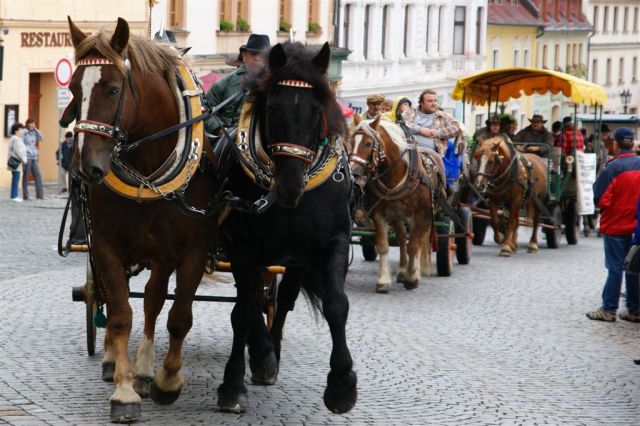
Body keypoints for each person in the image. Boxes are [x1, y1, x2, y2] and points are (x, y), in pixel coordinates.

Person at [586, 127, 640, 322]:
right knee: (633, 266)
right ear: (632, 143)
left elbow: (600, 199)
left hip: (616, 224)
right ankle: (635, 309)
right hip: (636, 226)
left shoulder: (613, 168)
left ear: (616, 144)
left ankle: (609, 309)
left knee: (615, 267)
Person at [203, 33, 271, 135]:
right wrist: (220, 129)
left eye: (262, 55)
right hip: (227, 139)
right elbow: (205, 110)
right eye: (253, 54)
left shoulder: (278, 85)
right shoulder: (224, 83)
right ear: (244, 56)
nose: (257, 58)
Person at [403, 89, 461, 155]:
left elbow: (457, 128)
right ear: (421, 103)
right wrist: (419, 129)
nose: (434, 103)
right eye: (430, 101)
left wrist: (439, 133)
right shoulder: (410, 112)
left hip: (432, 153)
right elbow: (400, 124)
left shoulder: (444, 116)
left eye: (435, 101)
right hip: (407, 147)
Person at [22, 117, 44, 200]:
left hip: (34, 157)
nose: (32, 125)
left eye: (33, 123)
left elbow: (42, 138)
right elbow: (21, 143)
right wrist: (27, 150)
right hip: (27, 157)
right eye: (30, 123)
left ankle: (40, 196)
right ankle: (26, 196)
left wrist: (36, 130)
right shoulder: (24, 132)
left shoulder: (35, 132)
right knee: (26, 177)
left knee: (38, 175)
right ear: (27, 124)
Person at [7, 122, 28, 201]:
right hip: (16, 162)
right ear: (16, 131)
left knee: (16, 178)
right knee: (16, 179)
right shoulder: (15, 139)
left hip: (16, 162)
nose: (22, 131)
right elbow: (18, 151)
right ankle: (14, 196)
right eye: (20, 130)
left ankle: (14, 195)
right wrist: (24, 159)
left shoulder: (17, 138)